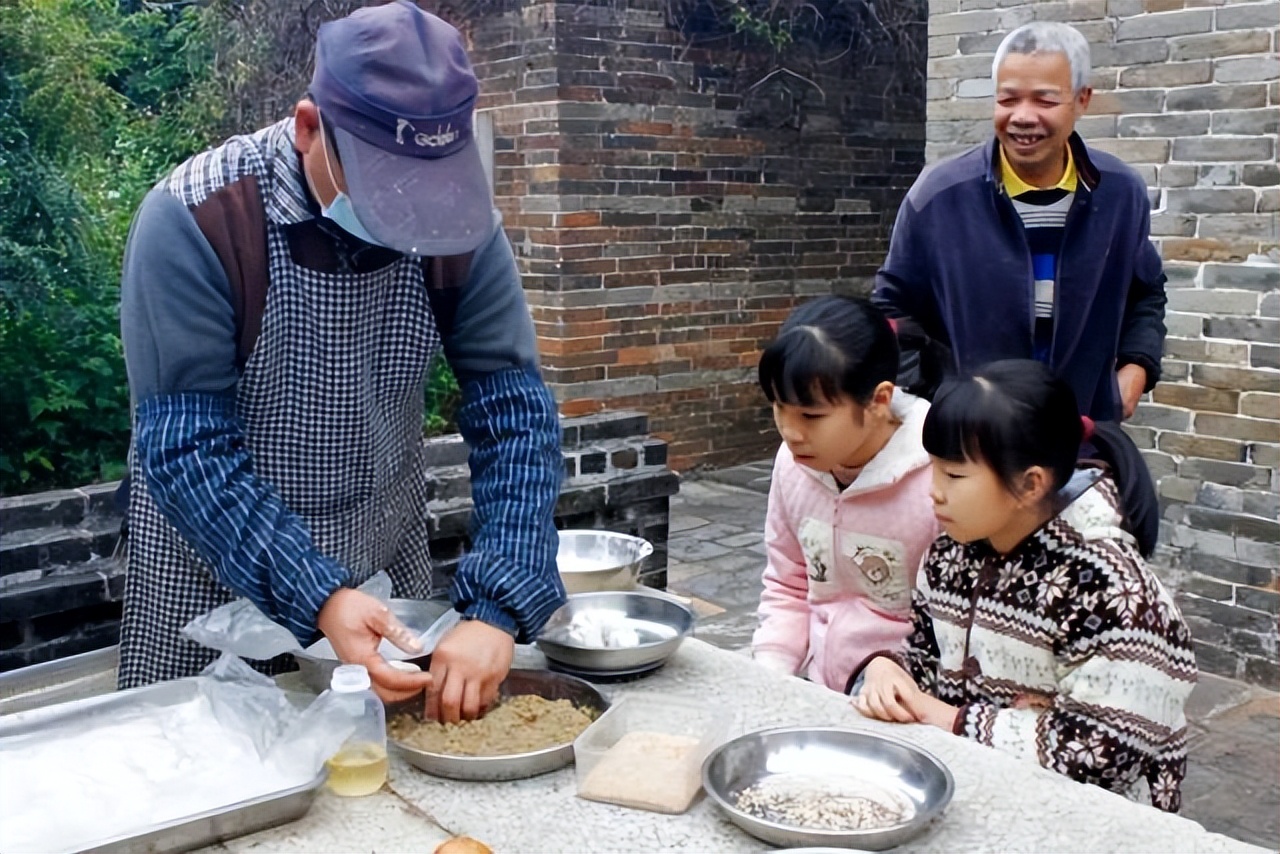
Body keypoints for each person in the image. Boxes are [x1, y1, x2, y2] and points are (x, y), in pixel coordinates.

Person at [117, 0, 565, 722]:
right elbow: (185, 448)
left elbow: (513, 411)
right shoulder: (198, 218)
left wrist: (499, 604)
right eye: (383, 188)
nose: (407, 219)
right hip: (210, 569)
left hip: (381, 548)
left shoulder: (459, 222)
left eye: (425, 188)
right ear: (307, 127)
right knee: (212, 775)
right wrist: (316, 593)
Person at [851, 360, 1196, 812]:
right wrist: (886, 670)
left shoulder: (1109, 585)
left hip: (1094, 821)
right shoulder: (950, 552)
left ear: (1031, 483)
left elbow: (1103, 752)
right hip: (979, 787)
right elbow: (925, 652)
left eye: (954, 475)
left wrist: (949, 719)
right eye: (933, 469)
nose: (933, 491)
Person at [872, 22, 1167, 421]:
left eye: (1045, 101)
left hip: (1080, 436)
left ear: (1082, 100)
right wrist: (939, 401)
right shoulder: (940, 196)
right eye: (1008, 99)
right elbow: (891, 311)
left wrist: (1137, 367)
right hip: (973, 443)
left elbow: (1145, 290)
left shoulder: (1119, 194)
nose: (1023, 117)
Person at [750, 296, 939, 693]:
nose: (790, 431)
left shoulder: (939, 481)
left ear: (878, 401)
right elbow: (789, 583)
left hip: (903, 696)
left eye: (811, 416)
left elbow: (950, 625)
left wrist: (892, 681)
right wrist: (770, 672)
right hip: (818, 685)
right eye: (779, 407)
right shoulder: (792, 466)